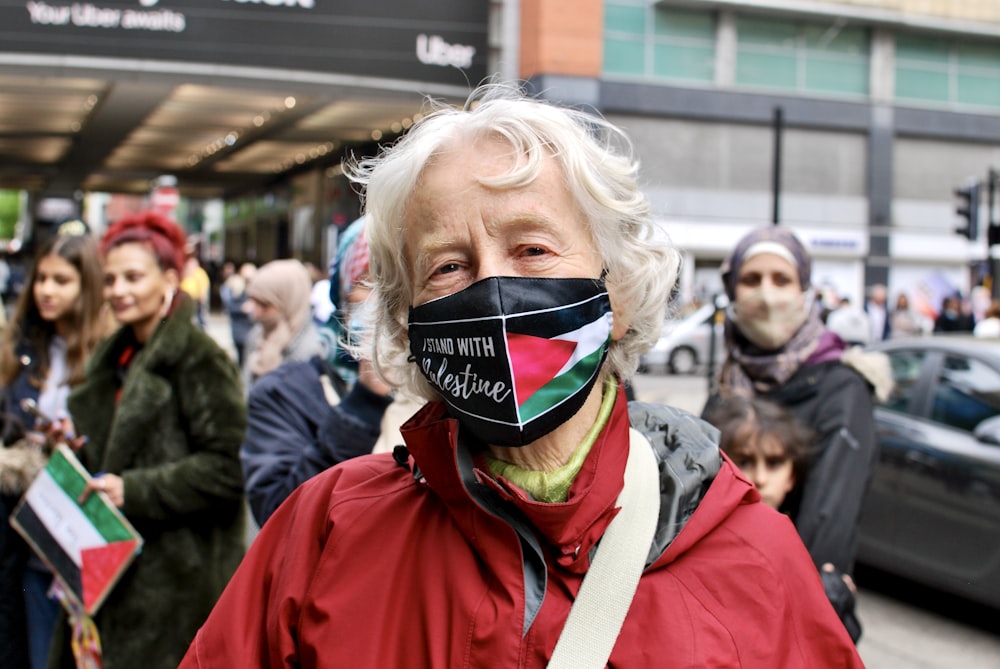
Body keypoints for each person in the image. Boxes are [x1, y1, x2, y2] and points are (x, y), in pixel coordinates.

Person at [180, 83, 862, 668]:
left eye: (532, 248)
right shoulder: (326, 530)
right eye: (447, 265)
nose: (495, 288)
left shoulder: (757, 561)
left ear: (617, 291)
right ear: (405, 320)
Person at [47, 211, 247, 669]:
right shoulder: (114, 356)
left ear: (170, 279)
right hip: (107, 574)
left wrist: (132, 489)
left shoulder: (200, 359)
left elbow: (225, 469)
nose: (118, 290)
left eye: (133, 277)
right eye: (111, 278)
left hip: (174, 585)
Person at [703, 225, 892, 640]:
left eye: (781, 279)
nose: (766, 294)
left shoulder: (842, 387)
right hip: (718, 605)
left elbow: (829, 521)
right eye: (751, 280)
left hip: (793, 616)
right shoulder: (727, 384)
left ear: (805, 291)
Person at [240, 220, 408, 526]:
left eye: (407, 284)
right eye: (371, 282)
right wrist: (365, 401)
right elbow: (278, 515)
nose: (393, 302)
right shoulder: (283, 393)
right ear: (342, 296)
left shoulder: (460, 394)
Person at [0, 232, 108, 669]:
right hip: (23, 533)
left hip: (88, 530)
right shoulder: (16, 349)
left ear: (87, 286)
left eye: (61, 280)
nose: (45, 290)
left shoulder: (108, 354)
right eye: (41, 278)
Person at [703, 395, 862, 641]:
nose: (761, 478)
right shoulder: (700, 538)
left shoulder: (800, 546)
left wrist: (837, 607)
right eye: (745, 461)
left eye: (774, 463)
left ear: (792, 476)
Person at [240, 259, 324, 390]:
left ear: (289, 302)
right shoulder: (256, 335)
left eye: (264, 304)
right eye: (253, 302)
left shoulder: (312, 352)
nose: (255, 312)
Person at [220, 262, 255, 366]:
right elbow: (229, 307)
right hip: (239, 331)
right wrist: (243, 308)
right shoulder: (236, 288)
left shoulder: (257, 291)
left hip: (251, 330)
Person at [180, 244, 211, 329]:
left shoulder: (199, 273)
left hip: (195, 299)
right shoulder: (183, 270)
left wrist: (202, 295)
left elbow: (203, 284)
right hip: (184, 298)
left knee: (198, 318)